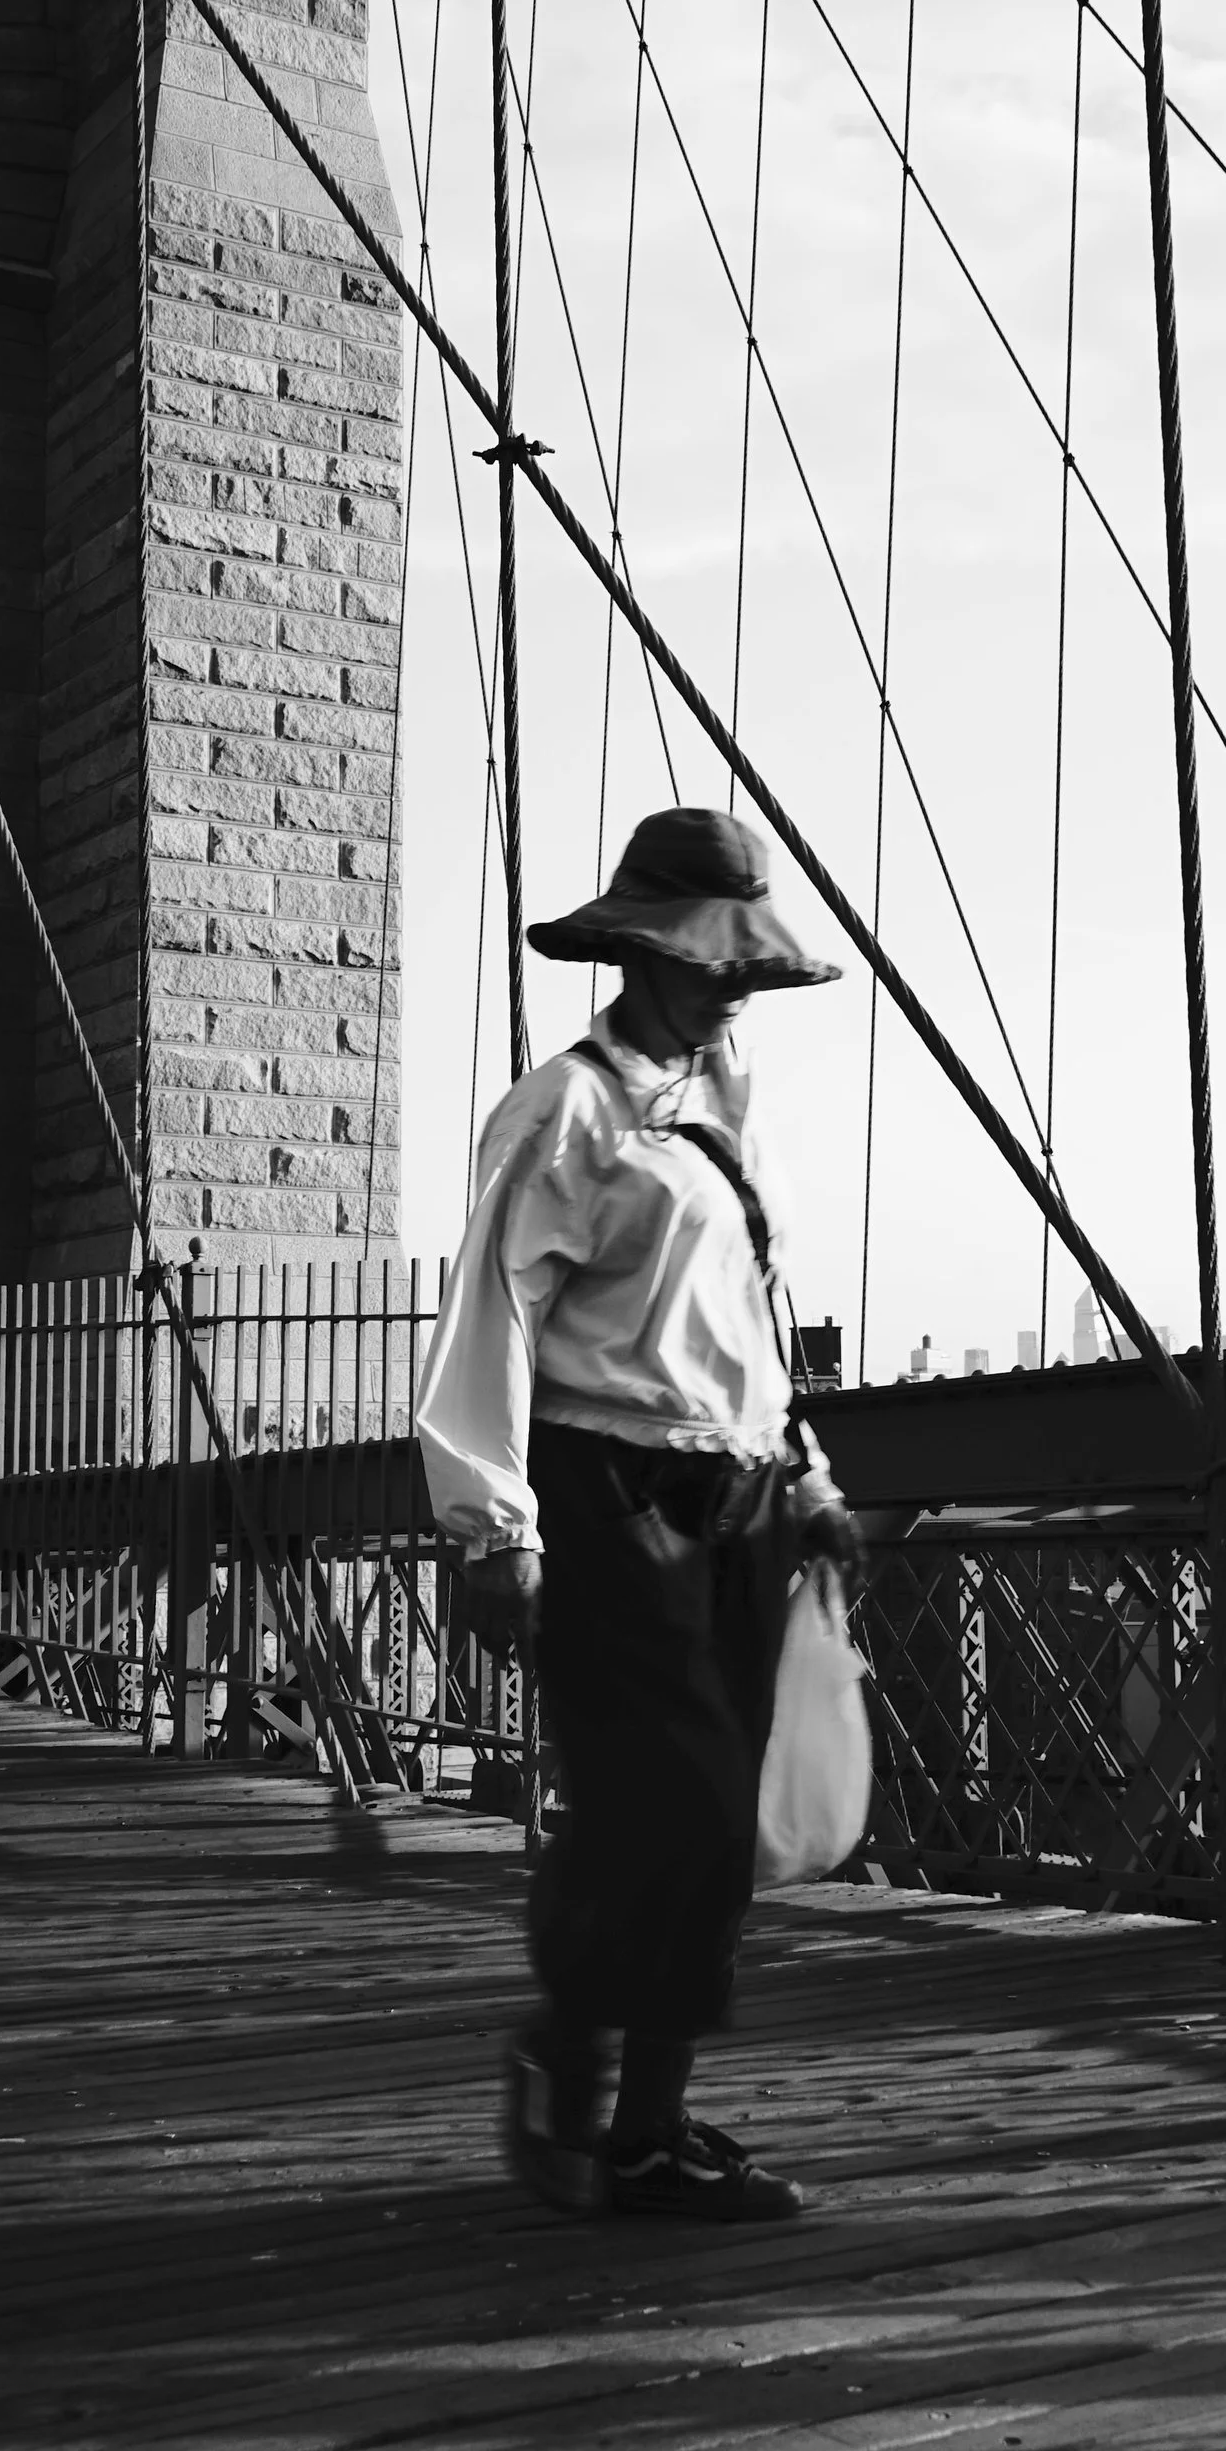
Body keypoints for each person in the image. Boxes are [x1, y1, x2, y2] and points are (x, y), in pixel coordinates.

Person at [415, 805, 858, 2222]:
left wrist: (812, 1476)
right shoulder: (569, 1111)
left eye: (745, 958)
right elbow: (490, 1310)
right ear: (645, 948)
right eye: (707, 953)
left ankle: (651, 2130)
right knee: (671, 1798)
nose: (733, 980)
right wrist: (493, 1523)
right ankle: (570, 2041)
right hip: (614, 1487)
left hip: (742, 1498)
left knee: (718, 1832)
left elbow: (754, 1324)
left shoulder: (732, 1113)